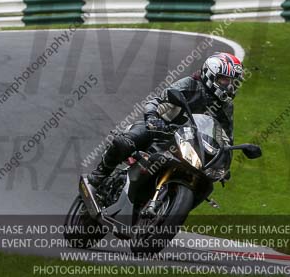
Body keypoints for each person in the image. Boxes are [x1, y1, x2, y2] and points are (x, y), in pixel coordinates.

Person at [87, 53, 244, 187]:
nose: (229, 86)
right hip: (160, 131)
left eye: (232, 81)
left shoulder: (225, 106)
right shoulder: (190, 84)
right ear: (211, 74)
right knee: (125, 142)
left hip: (190, 145)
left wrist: (224, 164)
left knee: (203, 181)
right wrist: (153, 119)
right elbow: (157, 101)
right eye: (224, 79)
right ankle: (100, 174)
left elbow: (226, 137)